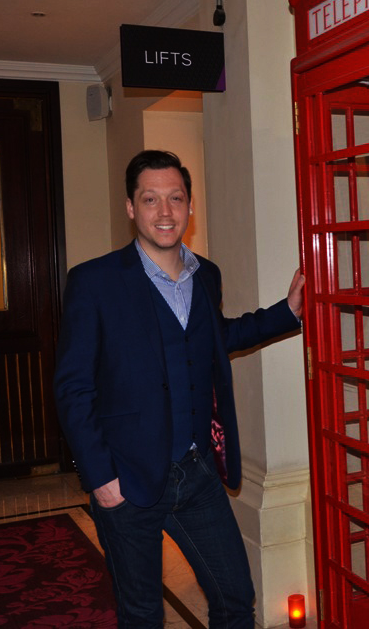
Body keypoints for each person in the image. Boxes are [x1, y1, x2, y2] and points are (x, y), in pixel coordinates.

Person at [54, 149, 304, 628]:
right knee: (142, 615)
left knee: (236, 598)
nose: (165, 211)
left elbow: (214, 339)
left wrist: (286, 312)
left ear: (190, 205)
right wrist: (101, 479)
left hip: (196, 472)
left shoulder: (206, 275)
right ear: (131, 207)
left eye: (176, 198)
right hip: (126, 478)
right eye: (151, 199)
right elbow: (72, 387)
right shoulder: (94, 282)